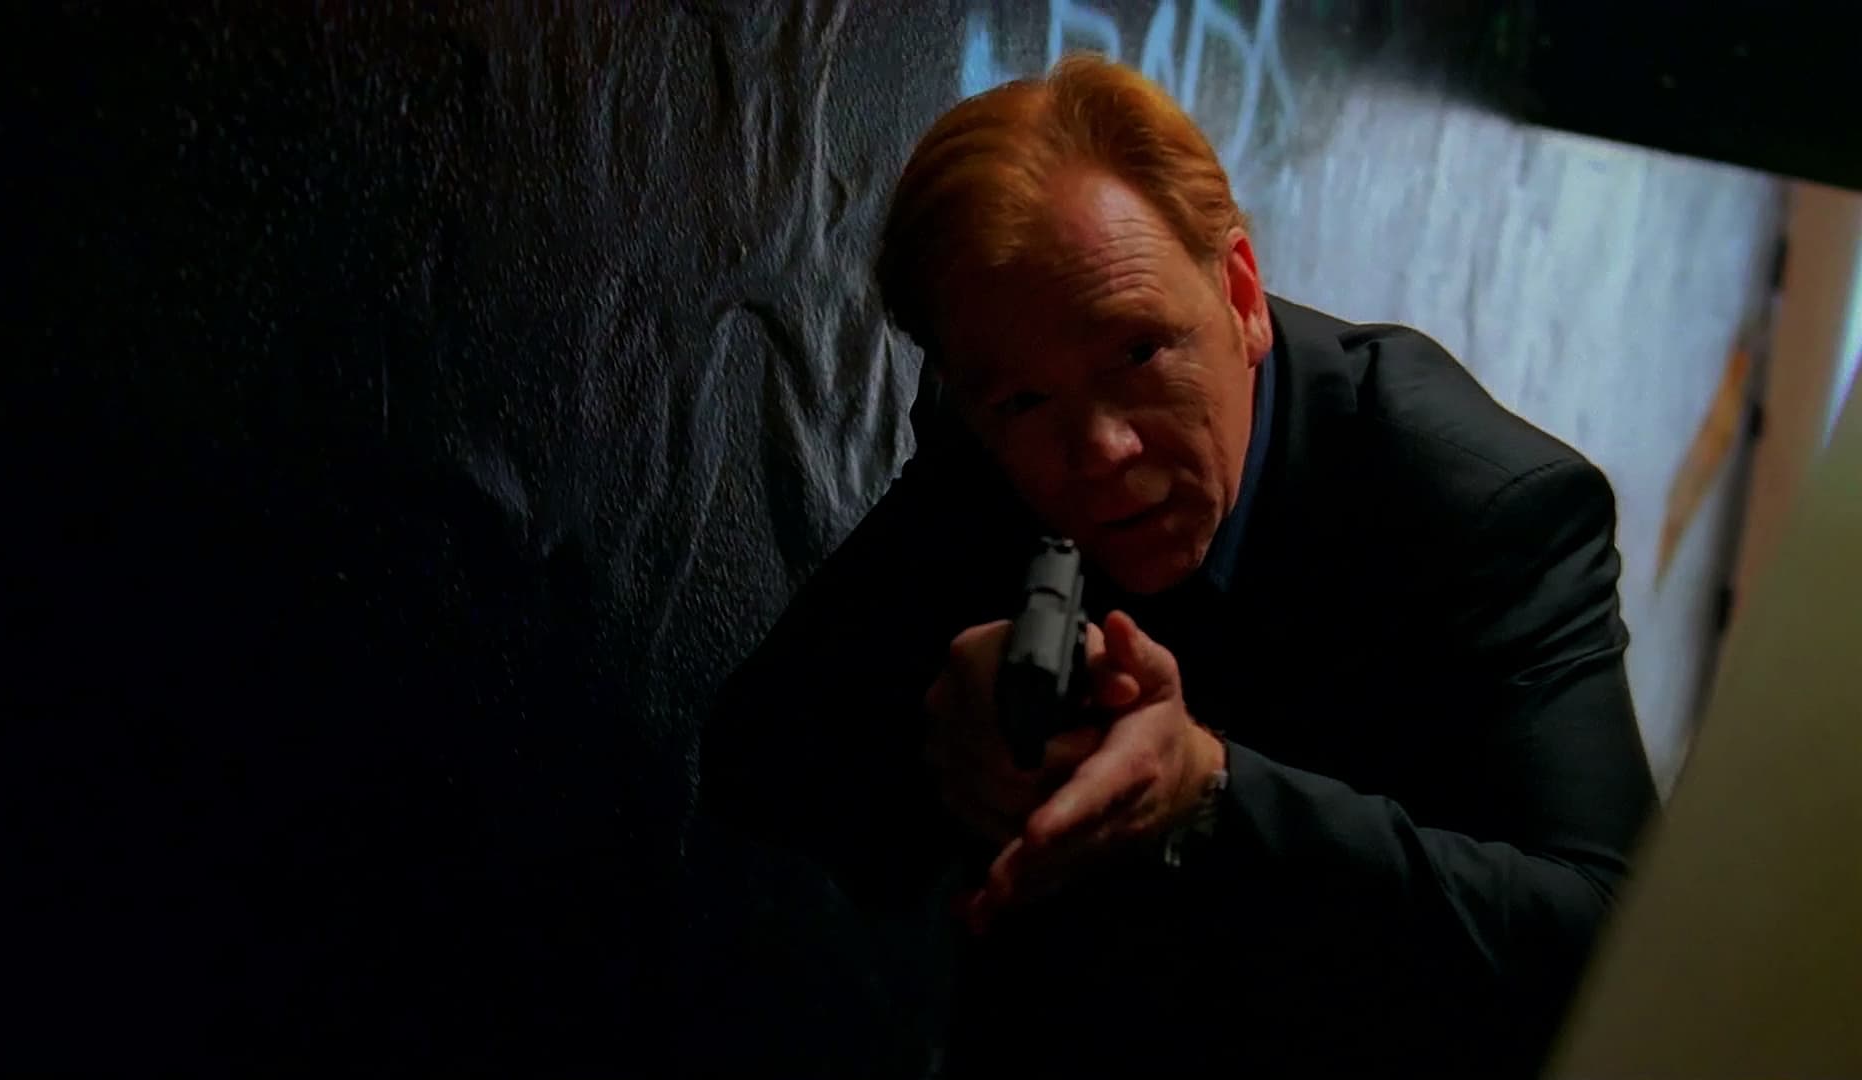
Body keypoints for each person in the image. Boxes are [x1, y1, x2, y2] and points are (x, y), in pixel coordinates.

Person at [697, 54, 1656, 1078]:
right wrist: (951, 739)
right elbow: (761, 764)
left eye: (1139, 353)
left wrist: (1215, 793)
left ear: (1241, 295)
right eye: (1022, 402)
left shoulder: (1490, 506)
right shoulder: (992, 436)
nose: (1100, 450)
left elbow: (1615, 947)